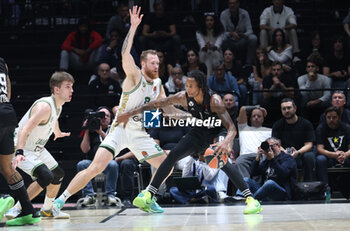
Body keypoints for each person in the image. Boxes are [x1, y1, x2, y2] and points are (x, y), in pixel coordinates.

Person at [53, 6, 175, 215]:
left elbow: (162, 109)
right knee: (95, 168)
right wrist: (133, 27)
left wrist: (179, 110)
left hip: (139, 133)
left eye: (158, 62)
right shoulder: (135, 75)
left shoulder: (158, 84)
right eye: (153, 62)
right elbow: (124, 52)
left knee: (167, 165)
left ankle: (147, 196)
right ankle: (59, 202)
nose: (157, 65)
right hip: (119, 129)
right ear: (143, 63)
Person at [117, 70, 262, 214]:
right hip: (198, 133)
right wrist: (129, 113)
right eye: (186, 85)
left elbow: (231, 128)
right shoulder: (183, 97)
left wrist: (225, 142)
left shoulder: (214, 100)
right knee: (172, 156)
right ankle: (149, 194)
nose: (187, 89)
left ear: (201, 87)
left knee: (221, 161)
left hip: (217, 132)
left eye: (191, 86)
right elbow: (158, 103)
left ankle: (251, 199)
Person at [6, 72, 74, 221]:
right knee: (45, 176)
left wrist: (57, 132)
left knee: (58, 174)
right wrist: (20, 151)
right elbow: (24, 129)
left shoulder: (58, 106)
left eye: (72, 87)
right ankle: (18, 208)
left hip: (37, 148)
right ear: (56, 89)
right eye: (68, 87)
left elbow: (54, 118)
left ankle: (48, 209)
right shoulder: (44, 106)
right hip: (20, 146)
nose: (72, 91)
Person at [0, 57, 41, 226]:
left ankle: (2, 200)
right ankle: (28, 210)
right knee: (7, 168)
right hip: (7, 111)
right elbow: (8, 87)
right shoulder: (2, 61)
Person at [77, 106, 119, 207]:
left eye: (107, 116)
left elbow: (114, 145)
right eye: (101, 116)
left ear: (111, 118)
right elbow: (84, 149)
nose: (104, 118)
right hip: (93, 162)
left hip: (108, 163)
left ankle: (110, 196)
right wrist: (87, 130)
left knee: (113, 164)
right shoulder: (91, 131)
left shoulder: (114, 130)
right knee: (82, 164)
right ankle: (89, 195)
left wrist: (100, 132)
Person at [272, 98, 316, 182]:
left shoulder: (306, 124)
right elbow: (277, 145)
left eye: (289, 108)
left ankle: (309, 186)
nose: (286, 111)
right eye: (284, 109)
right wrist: (285, 152)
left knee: (309, 156)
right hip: (285, 153)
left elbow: (309, 145)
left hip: (301, 153)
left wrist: (298, 152)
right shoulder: (277, 125)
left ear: (295, 108)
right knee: (276, 155)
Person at [244, 137, 297, 201]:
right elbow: (253, 173)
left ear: (279, 146)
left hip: (282, 192)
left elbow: (283, 174)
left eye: (272, 146)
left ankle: (251, 201)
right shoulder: (266, 161)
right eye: (268, 147)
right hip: (265, 191)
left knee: (270, 183)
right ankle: (240, 197)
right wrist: (258, 157)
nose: (270, 149)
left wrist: (273, 160)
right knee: (246, 180)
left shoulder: (288, 159)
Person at [138, 0, 182, 64]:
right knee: (141, 39)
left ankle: (177, 63)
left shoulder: (168, 17)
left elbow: (173, 32)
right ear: (155, 9)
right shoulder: (150, 17)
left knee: (176, 38)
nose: (159, 10)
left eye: (161, 9)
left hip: (165, 41)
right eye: (157, 9)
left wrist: (166, 34)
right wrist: (152, 35)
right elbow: (144, 32)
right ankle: (143, 62)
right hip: (153, 42)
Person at [316, 107, 350, 185]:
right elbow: (319, 149)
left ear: (339, 117)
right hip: (328, 156)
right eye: (329, 117)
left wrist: (345, 155)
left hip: (344, 156)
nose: (331, 120)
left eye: (334, 117)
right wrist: (334, 155)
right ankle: (324, 189)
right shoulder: (321, 129)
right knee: (320, 159)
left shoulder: (347, 128)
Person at [235, 106, 271, 178]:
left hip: (262, 155)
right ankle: (247, 186)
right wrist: (258, 107)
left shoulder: (270, 131)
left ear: (263, 119)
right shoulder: (243, 128)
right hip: (245, 156)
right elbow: (242, 109)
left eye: (259, 116)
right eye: (254, 116)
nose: (256, 117)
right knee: (238, 162)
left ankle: (255, 187)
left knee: (266, 163)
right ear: (250, 119)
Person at [220, 0, 257, 66]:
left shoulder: (245, 13)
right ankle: (224, 63)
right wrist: (231, 33)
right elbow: (222, 32)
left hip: (242, 38)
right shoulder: (224, 14)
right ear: (228, 4)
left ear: (238, 4)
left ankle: (249, 64)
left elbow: (250, 30)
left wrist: (243, 35)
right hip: (229, 39)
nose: (232, 5)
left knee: (253, 38)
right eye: (230, 3)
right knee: (221, 38)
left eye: (234, 3)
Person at [297, 58, 332, 125]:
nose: (310, 68)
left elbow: (327, 95)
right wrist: (309, 81)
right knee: (302, 103)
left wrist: (316, 101)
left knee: (328, 103)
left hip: (320, 102)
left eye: (312, 66)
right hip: (307, 103)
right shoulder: (301, 79)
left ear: (317, 68)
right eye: (308, 67)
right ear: (306, 69)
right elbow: (304, 94)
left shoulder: (325, 79)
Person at [261, 61, 295, 125]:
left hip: (284, 100)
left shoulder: (287, 77)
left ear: (282, 70)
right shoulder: (267, 79)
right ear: (271, 71)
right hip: (271, 100)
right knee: (264, 102)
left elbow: (292, 94)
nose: (276, 72)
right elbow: (265, 96)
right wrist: (274, 86)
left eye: (278, 70)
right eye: (274, 70)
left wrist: (281, 85)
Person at [196, 12, 225, 76]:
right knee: (206, 55)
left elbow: (217, 45)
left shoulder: (220, 31)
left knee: (214, 53)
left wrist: (210, 45)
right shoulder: (199, 32)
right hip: (204, 53)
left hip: (216, 53)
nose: (209, 22)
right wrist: (207, 47)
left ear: (214, 21)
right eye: (207, 20)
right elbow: (202, 45)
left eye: (211, 20)